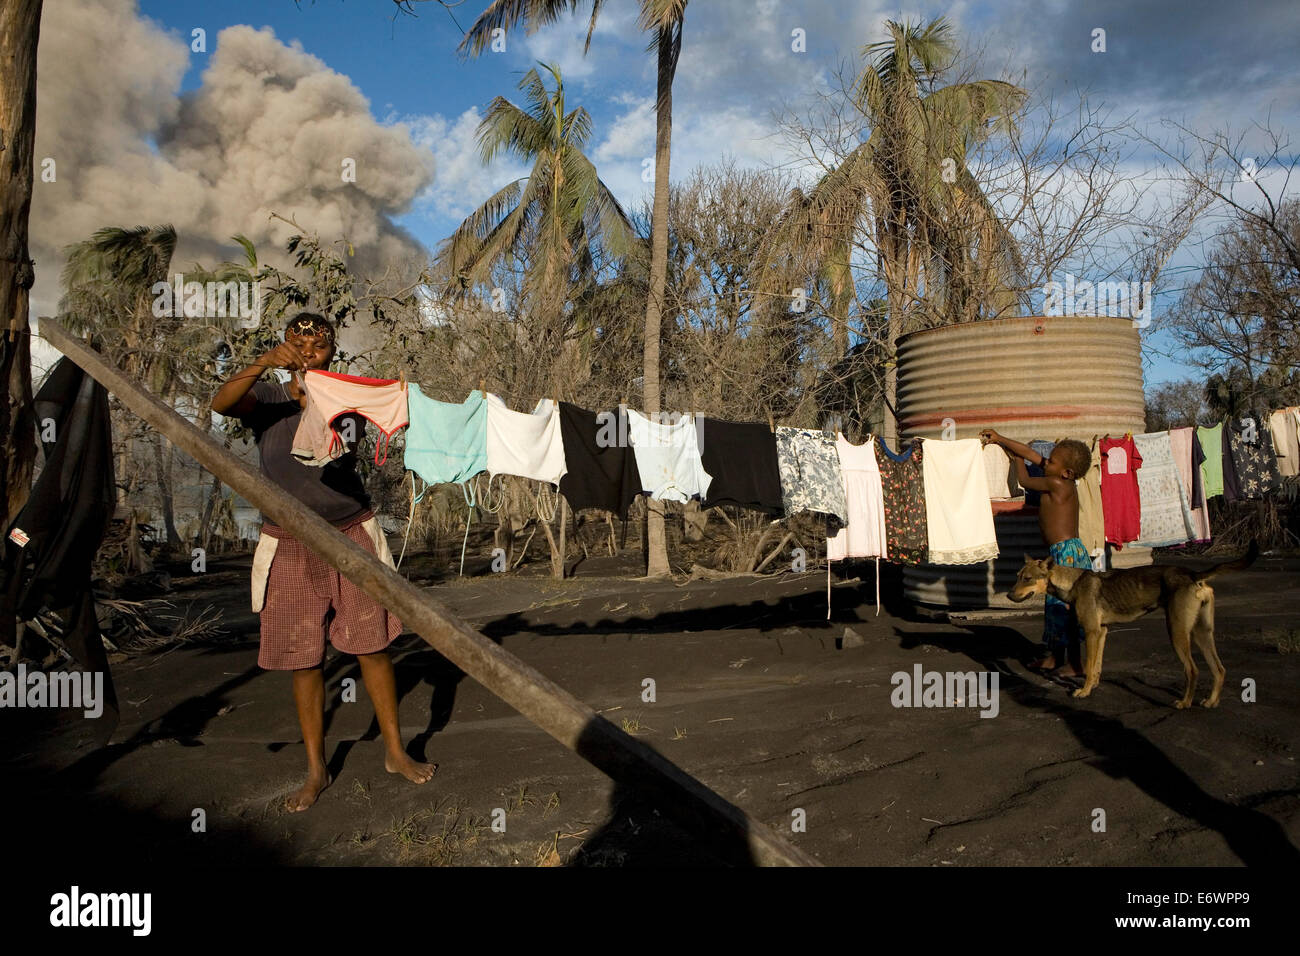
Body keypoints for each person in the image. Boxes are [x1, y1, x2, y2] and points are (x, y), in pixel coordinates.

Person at [212, 312, 435, 811]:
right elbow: (221, 402)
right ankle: (316, 769)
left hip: (350, 532)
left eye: (319, 343)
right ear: (285, 345)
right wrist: (264, 363)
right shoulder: (266, 397)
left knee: (371, 644)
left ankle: (395, 752)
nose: (308, 348)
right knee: (303, 657)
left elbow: (395, 415)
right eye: (297, 340)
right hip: (287, 540)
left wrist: (393, 393)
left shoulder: (348, 396)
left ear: (333, 350)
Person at [979, 430, 1094, 676]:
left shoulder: (1056, 483)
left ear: (1067, 473)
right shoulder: (1060, 477)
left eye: (1051, 461)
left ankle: (1074, 663)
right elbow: (1031, 453)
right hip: (1064, 553)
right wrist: (1000, 439)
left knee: (1066, 610)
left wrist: (1016, 460)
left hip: (1067, 557)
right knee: (1055, 607)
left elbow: (1024, 479)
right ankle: (1054, 657)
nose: (1045, 462)